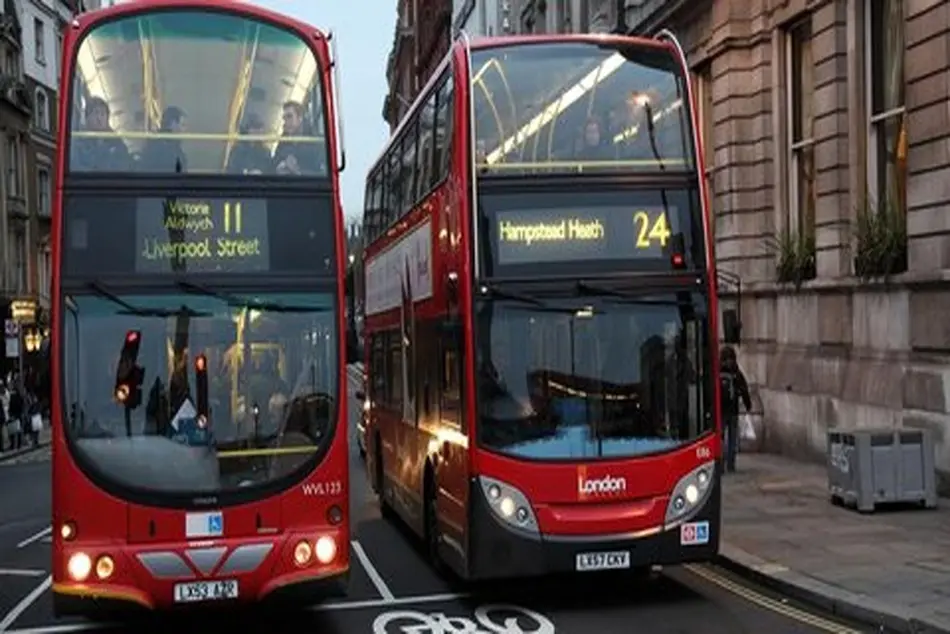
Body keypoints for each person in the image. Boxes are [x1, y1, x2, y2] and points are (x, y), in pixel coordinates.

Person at [70, 97, 132, 171]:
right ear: (87, 118)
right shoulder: (79, 143)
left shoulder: (116, 142)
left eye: (102, 114)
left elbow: (125, 166)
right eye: (96, 113)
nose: (99, 118)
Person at [720, 345, 752, 473]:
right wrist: (748, 404)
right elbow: (744, 389)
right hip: (732, 410)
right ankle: (731, 464)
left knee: (721, 438)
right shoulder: (736, 373)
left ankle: (721, 463)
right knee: (732, 437)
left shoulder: (717, 371)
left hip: (721, 411)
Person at [273, 101, 324, 175]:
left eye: (289, 116)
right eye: (284, 118)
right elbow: (274, 162)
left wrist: (297, 171)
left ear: (300, 118)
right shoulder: (283, 140)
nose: (286, 121)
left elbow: (322, 173)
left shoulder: (316, 141)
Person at [140, 106, 188, 173]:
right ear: (173, 124)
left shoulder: (172, 145)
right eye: (183, 125)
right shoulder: (159, 147)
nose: (185, 130)